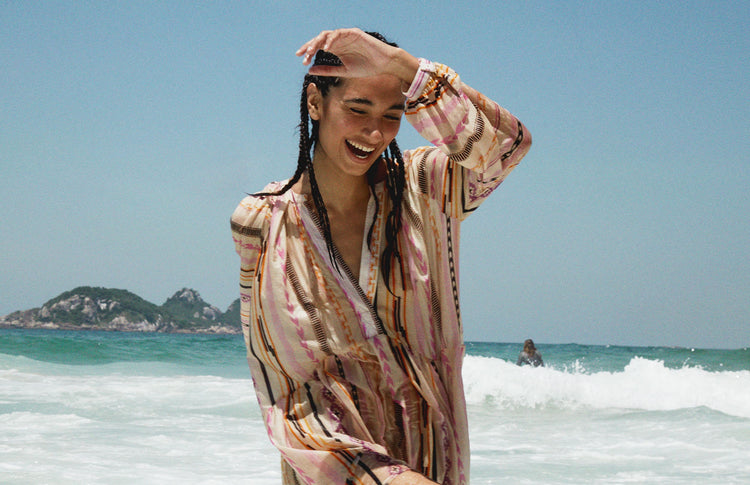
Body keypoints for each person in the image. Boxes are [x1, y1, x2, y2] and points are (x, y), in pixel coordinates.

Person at [231, 28, 531, 485]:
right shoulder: (263, 222)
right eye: (358, 109)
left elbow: (507, 147)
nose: (375, 133)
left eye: (393, 114)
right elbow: (289, 391)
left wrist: (407, 68)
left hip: (436, 467)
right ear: (315, 102)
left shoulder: (424, 186)